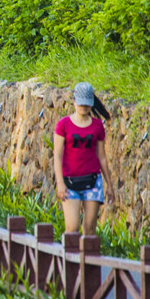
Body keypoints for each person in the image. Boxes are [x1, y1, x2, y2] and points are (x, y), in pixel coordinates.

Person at [53, 82, 115, 236]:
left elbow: (102, 157)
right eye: (81, 103)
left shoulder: (97, 126)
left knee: (89, 229)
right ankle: (69, 259)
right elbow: (58, 155)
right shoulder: (63, 125)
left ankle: (87, 260)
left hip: (92, 181)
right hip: (69, 182)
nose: (83, 107)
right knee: (72, 228)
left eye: (87, 104)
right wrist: (60, 182)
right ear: (74, 101)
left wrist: (110, 185)